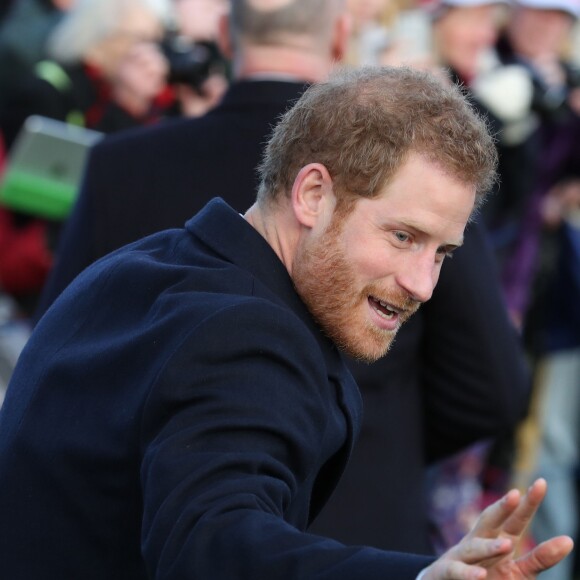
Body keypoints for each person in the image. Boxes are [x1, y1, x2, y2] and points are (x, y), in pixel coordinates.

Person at [0, 64, 573, 580]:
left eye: (442, 253)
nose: (422, 283)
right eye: (404, 237)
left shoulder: (145, 265)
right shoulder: (246, 336)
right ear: (313, 194)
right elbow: (213, 542)